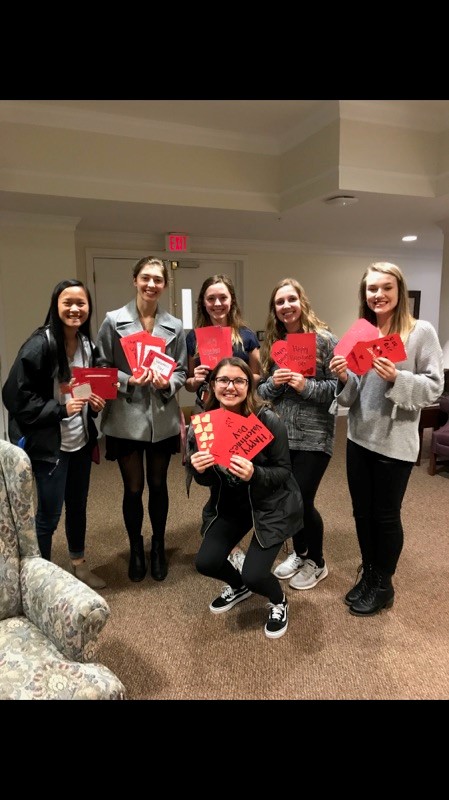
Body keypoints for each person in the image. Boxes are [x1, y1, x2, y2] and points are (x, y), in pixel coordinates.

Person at [329, 261, 444, 616]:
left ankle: (384, 584)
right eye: (372, 289)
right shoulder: (362, 332)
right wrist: (344, 376)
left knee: (385, 515)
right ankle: (370, 572)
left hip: (394, 441)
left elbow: (435, 387)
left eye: (386, 288)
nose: (378, 295)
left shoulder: (419, 331)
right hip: (359, 437)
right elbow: (351, 396)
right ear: (364, 295)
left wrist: (398, 377)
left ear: (399, 292)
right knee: (361, 513)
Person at [186, 356, 304, 639]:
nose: (230, 387)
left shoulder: (267, 419)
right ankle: (238, 587)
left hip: (271, 504)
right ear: (213, 385)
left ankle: (278, 601)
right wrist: (197, 468)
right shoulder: (204, 424)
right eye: (223, 380)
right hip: (232, 504)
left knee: (255, 574)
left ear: (248, 385)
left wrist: (255, 473)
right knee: (206, 562)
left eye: (238, 381)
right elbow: (206, 479)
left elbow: (284, 472)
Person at [2, 279, 106, 589]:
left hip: (81, 441)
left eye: (81, 303)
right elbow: (15, 397)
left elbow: (82, 389)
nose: (75, 308)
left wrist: (95, 402)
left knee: (77, 506)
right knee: (48, 514)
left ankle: (78, 565)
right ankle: (41, 579)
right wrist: (60, 410)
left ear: (88, 308)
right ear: (56, 306)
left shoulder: (88, 346)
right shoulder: (40, 344)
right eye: (68, 302)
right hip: (50, 446)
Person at [95, 256, 187, 583]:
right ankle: (136, 547)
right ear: (134, 279)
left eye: (157, 280)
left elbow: (181, 370)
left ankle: (158, 545)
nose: (151, 285)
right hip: (125, 417)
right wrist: (127, 380)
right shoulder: (112, 321)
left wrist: (169, 383)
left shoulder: (175, 325)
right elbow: (101, 368)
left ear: (164, 285)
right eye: (145, 278)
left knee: (159, 484)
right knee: (133, 488)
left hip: (161, 416)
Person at [257, 278, 338, 591]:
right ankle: (300, 553)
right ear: (275, 310)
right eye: (280, 302)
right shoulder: (274, 345)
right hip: (281, 435)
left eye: (291, 299)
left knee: (302, 498)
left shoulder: (325, 340)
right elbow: (263, 389)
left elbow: (339, 388)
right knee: (287, 498)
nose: (286, 306)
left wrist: (308, 387)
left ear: (302, 302)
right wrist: (275, 383)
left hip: (315, 436)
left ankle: (317, 561)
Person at [185, 273, 261, 574]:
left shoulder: (245, 334)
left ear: (231, 301)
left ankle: (246, 536)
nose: (217, 303)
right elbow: (190, 384)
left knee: (243, 475)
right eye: (211, 298)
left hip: (244, 415)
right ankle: (226, 541)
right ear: (203, 303)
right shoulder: (194, 337)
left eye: (223, 297)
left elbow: (260, 376)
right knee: (216, 476)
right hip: (210, 413)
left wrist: (233, 377)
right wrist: (199, 378)